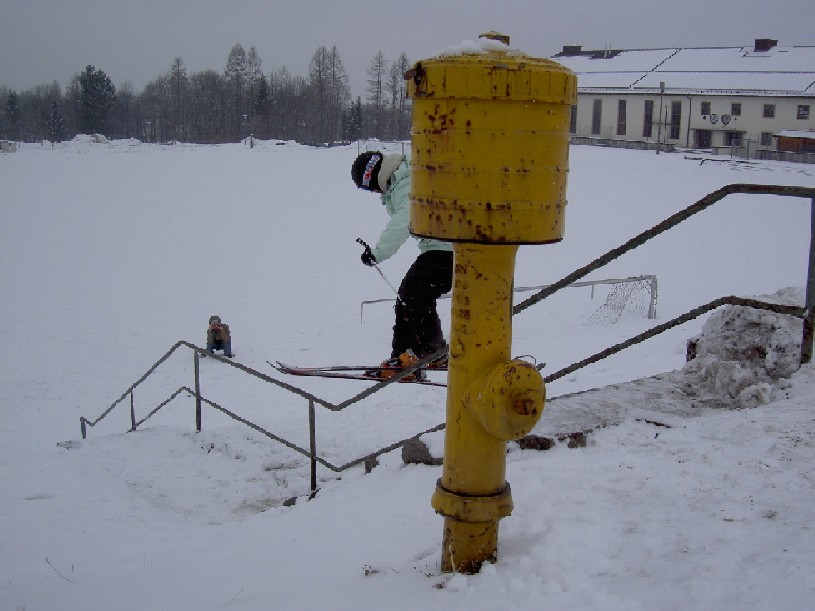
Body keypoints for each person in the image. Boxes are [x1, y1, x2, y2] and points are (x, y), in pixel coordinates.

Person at [351, 150, 453, 378]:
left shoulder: (406, 185)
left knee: (411, 296)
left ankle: (405, 360)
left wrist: (378, 253)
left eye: (370, 188)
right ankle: (433, 352)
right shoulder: (408, 176)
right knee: (415, 297)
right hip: (447, 247)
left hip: (446, 250)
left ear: (374, 177)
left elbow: (404, 220)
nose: (375, 193)